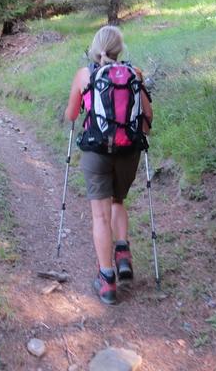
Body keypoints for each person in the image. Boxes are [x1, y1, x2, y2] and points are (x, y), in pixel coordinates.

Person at [64, 25, 153, 305]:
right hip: (129, 152)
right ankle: (123, 252)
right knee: (118, 202)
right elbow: (148, 121)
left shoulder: (85, 74)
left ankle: (106, 281)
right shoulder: (135, 74)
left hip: (96, 152)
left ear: (95, 47)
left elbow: (70, 116)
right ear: (120, 49)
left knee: (100, 217)